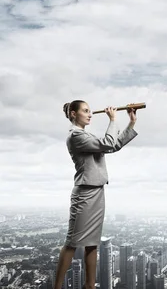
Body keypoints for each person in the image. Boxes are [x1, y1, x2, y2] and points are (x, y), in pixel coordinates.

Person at [54, 100, 139, 289]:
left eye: (90, 111)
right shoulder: (75, 136)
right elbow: (109, 143)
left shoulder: (86, 135)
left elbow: (114, 145)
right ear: (74, 114)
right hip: (84, 195)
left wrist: (131, 123)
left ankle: (90, 286)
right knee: (72, 243)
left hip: (97, 193)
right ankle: (57, 287)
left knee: (93, 243)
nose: (90, 114)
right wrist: (112, 119)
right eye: (85, 111)